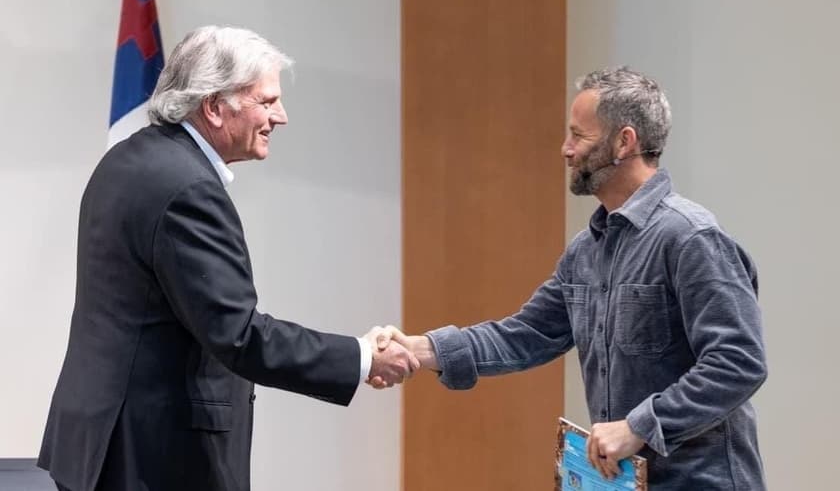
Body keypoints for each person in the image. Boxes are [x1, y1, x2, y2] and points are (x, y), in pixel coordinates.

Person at [38, 25, 416, 491]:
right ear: (215, 107)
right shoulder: (187, 189)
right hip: (152, 457)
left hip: (100, 442)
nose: (282, 116)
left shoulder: (128, 160)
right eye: (268, 100)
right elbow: (239, 335)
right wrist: (361, 358)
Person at [381, 66, 768, 489]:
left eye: (579, 136)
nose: (566, 150)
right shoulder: (586, 249)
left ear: (625, 142)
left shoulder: (691, 237)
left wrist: (640, 426)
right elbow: (524, 335)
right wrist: (422, 349)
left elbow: (738, 362)